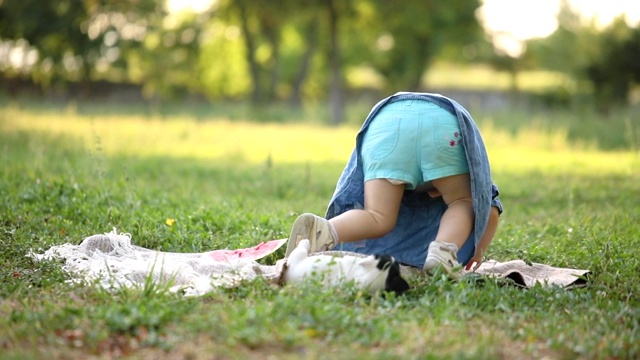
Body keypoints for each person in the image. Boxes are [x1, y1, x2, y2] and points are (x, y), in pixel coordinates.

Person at [284, 92, 503, 279]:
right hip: (445, 125)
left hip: (387, 123)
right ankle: (443, 252)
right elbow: (488, 207)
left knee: (377, 215)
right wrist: (477, 253)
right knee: (462, 201)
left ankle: (325, 230)